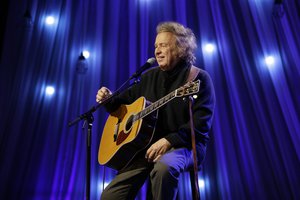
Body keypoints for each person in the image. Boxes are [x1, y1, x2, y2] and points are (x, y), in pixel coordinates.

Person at [96, 21, 215, 200]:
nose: (157, 51)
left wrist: (169, 140)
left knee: (163, 169)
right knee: (110, 196)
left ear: (181, 48)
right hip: (145, 146)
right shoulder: (149, 77)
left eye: (163, 45)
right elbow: (121, 105)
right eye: (156, 46)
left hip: (184, 145)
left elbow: (200, 125)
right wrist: (108, 99)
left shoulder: (198, 78)